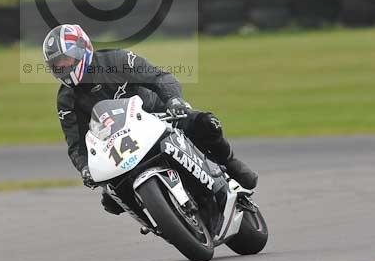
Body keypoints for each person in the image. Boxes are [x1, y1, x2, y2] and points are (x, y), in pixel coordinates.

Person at [43, 24, 258, 212]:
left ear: (82, 49)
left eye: (65, 59)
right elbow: (76, 144)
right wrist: (84, 168)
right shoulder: (66, 100)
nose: (62, 67)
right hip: (119, 146)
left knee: (207, 123)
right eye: (56, 64)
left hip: (157, 117)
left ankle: (230, 163)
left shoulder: (116, 60)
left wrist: (174, 100)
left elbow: (160, 77)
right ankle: (158, 219)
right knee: (111, 201)